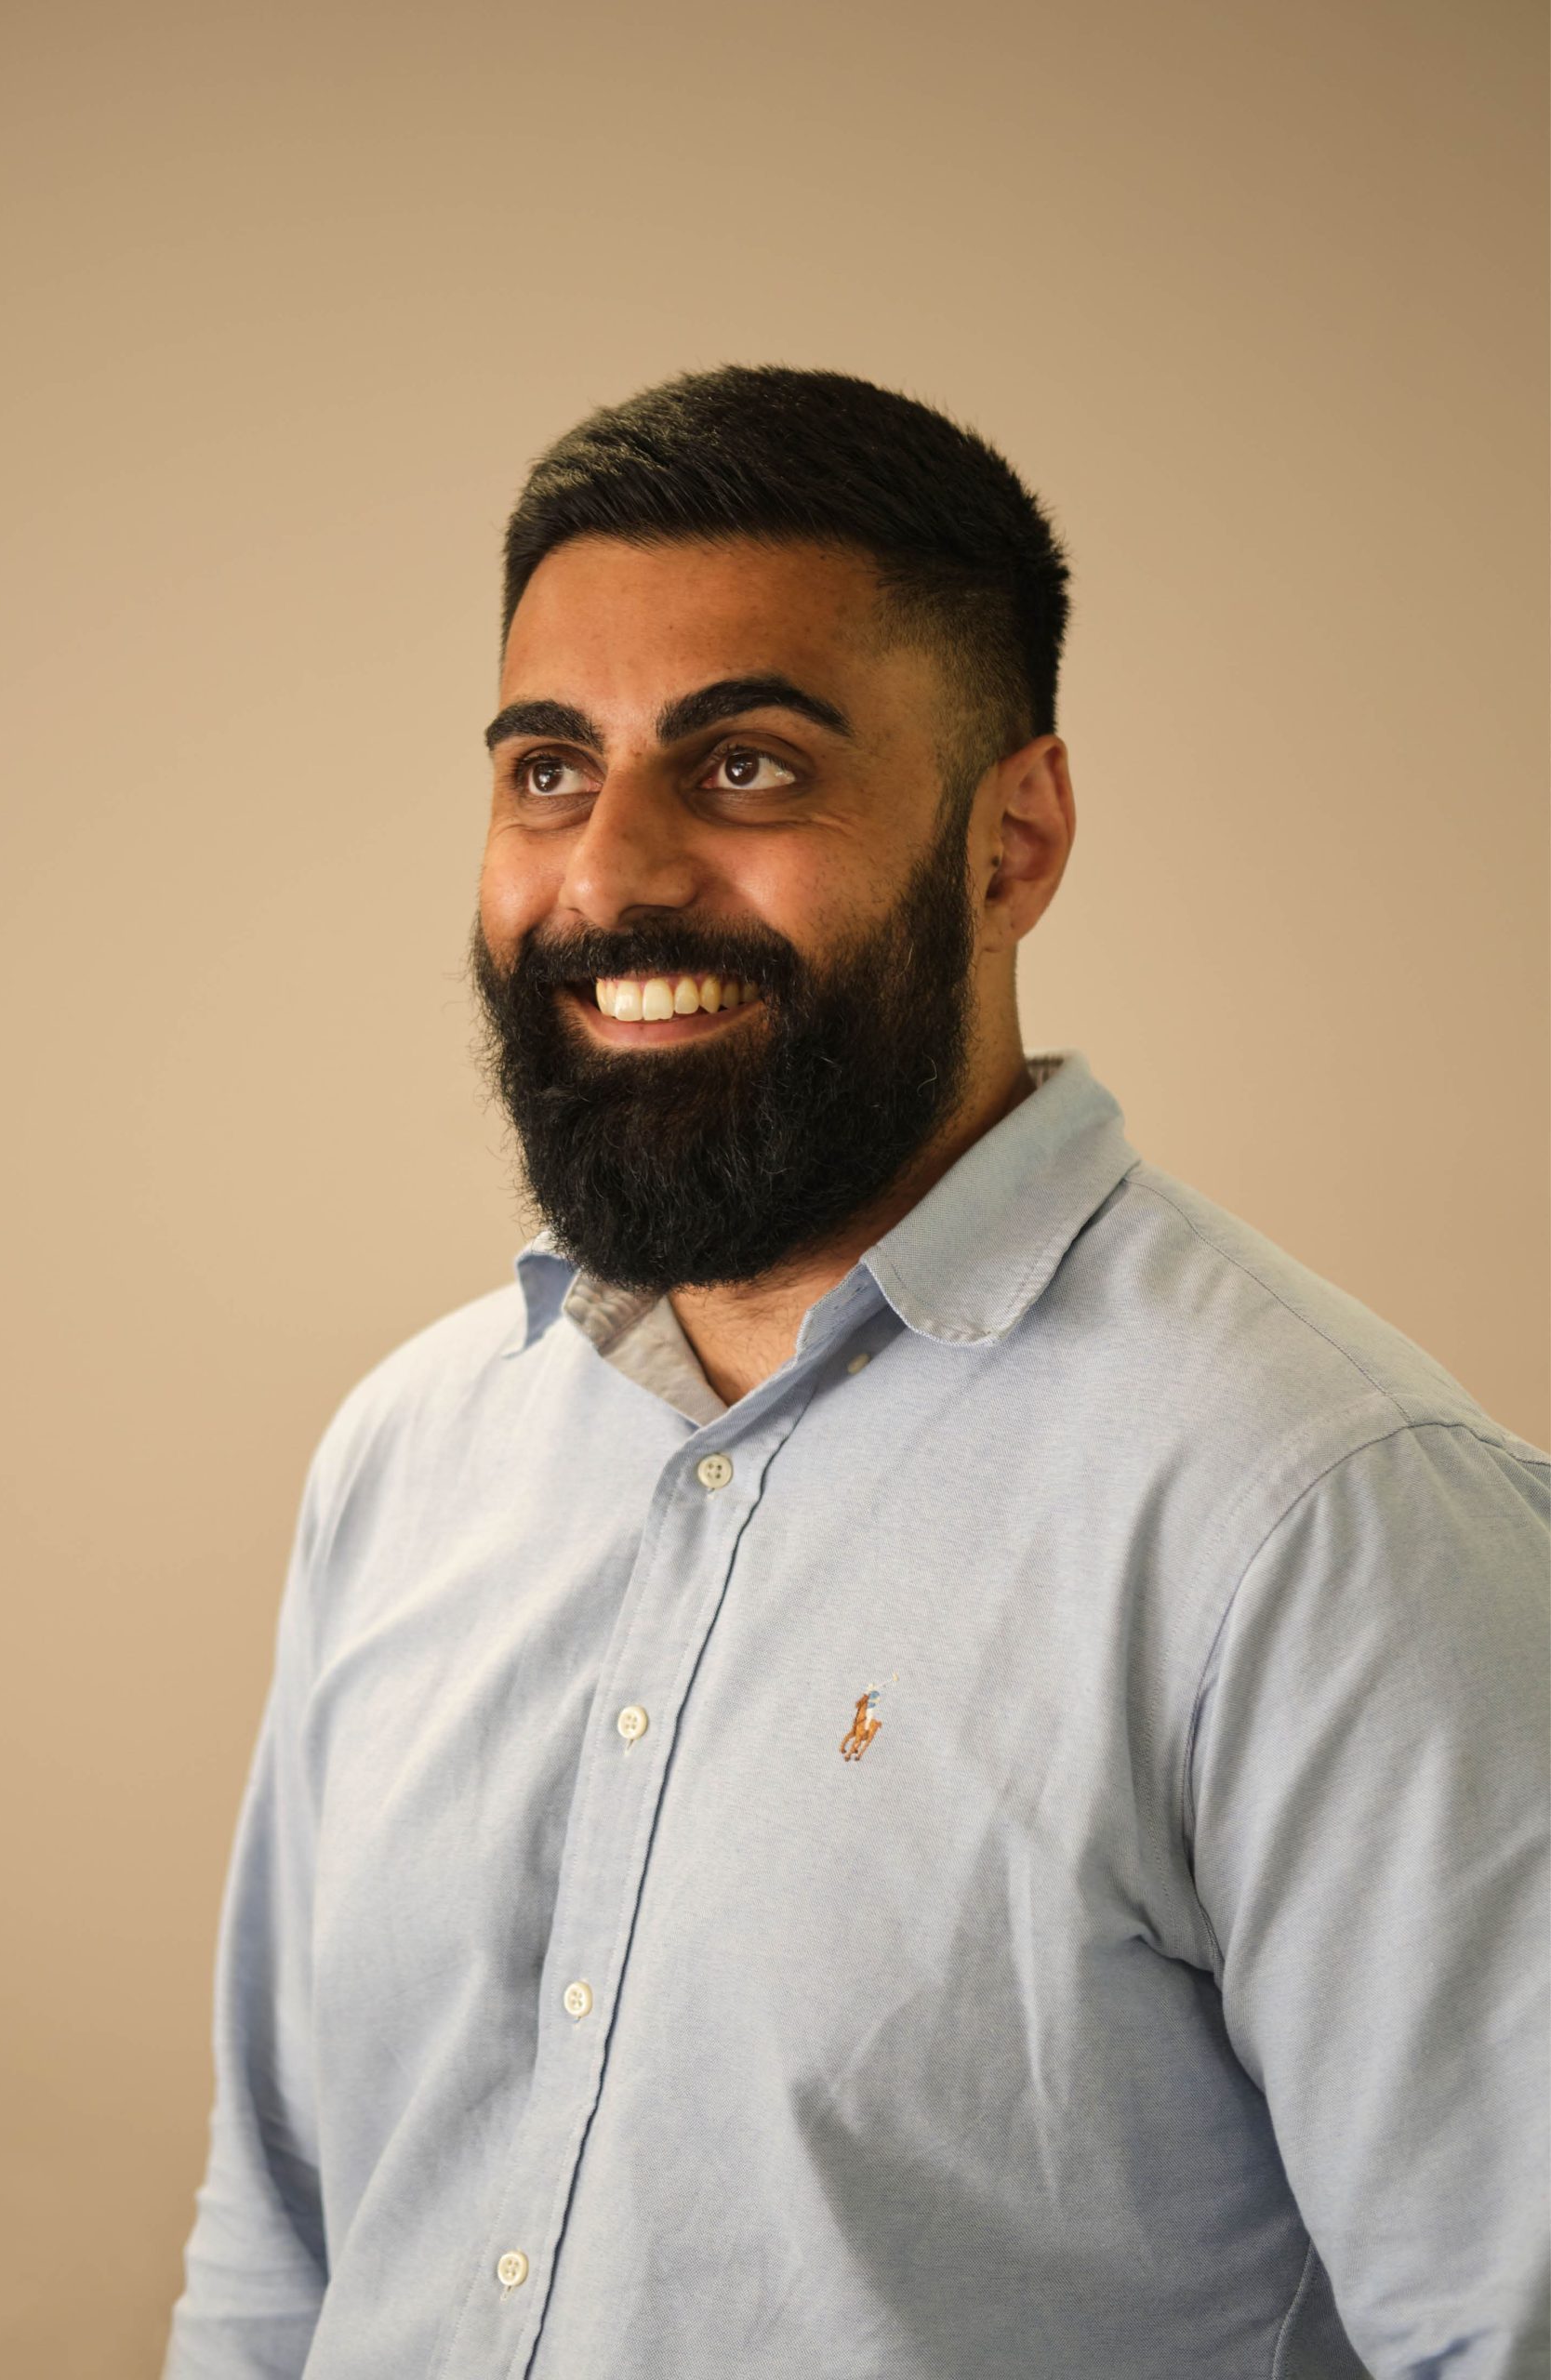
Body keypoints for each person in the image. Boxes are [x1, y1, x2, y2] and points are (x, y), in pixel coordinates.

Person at [162, 364, 1550, 2380]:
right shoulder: (406, 1454)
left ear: (1012, 841)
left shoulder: (1323, 1519)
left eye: (743, 768)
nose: (610, 871)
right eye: (548, 766)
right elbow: (278, 2245)